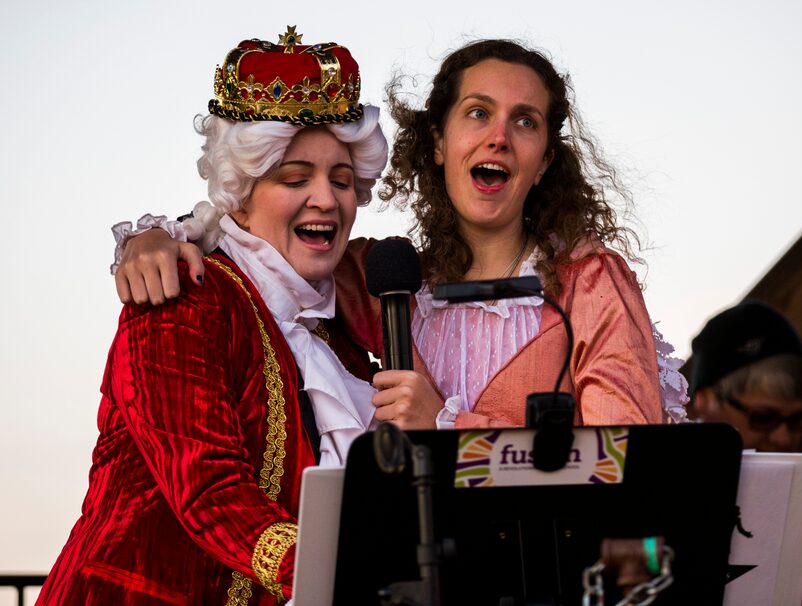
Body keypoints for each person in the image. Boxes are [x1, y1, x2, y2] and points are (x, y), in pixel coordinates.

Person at [113, 38, 683, 432]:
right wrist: (160, 237)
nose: (500, 138)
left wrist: (448, 423)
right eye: (478, 113)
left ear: (544, 160)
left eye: (525, 121)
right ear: (437, 142)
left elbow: (625, 462)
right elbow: (261, 238)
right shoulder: (386, 279)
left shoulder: (589, 284)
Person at [37, 30, 387, 605]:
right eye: (295, 178)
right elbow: (207, 486)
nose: (326, 199)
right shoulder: (184, 294)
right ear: (240, 194)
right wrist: (347, 570)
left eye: (343, 180)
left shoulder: (341, 337)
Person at [688, 300, 802, 507]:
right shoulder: (670, 474)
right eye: (763, 417)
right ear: (706, 401)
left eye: (797, 418)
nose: (783, 439)